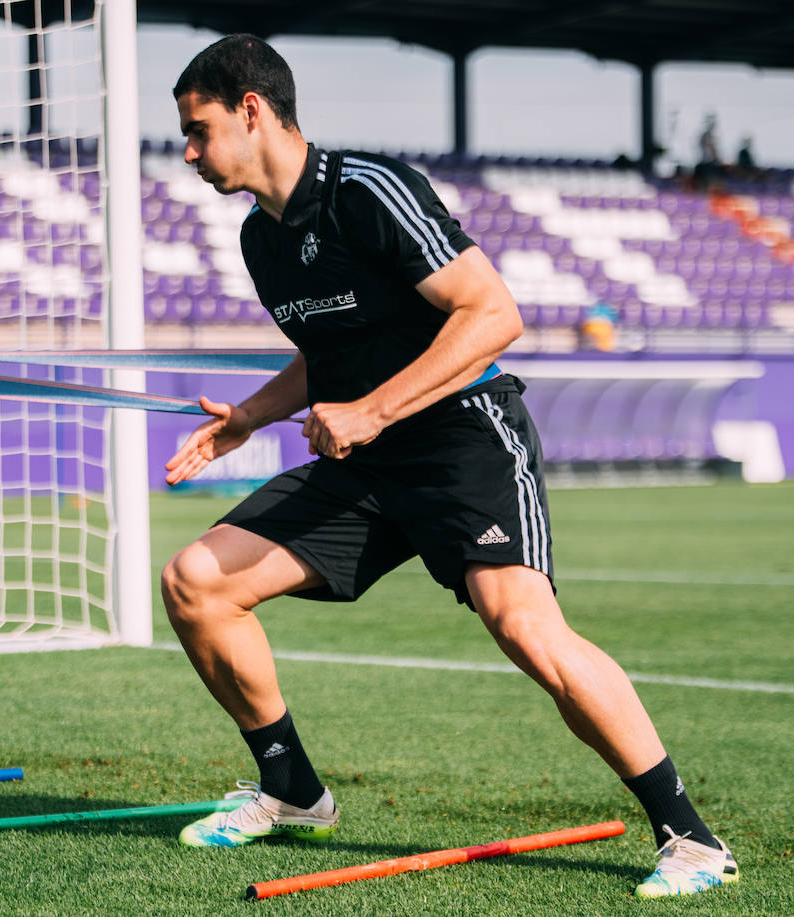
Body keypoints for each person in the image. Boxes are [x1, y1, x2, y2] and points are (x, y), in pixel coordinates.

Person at [162, 34, 738, 898]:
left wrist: (370, 412)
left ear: (252, 110)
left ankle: (691, 838)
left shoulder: (369, 190)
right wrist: (250, 415)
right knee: (196, 583)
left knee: (523, 625)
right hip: (367, 461)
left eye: (199, 129)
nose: (190, 152)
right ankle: (290, 789)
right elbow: (332, 353)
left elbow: (492, 312)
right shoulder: (262, 240)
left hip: (463, 436)